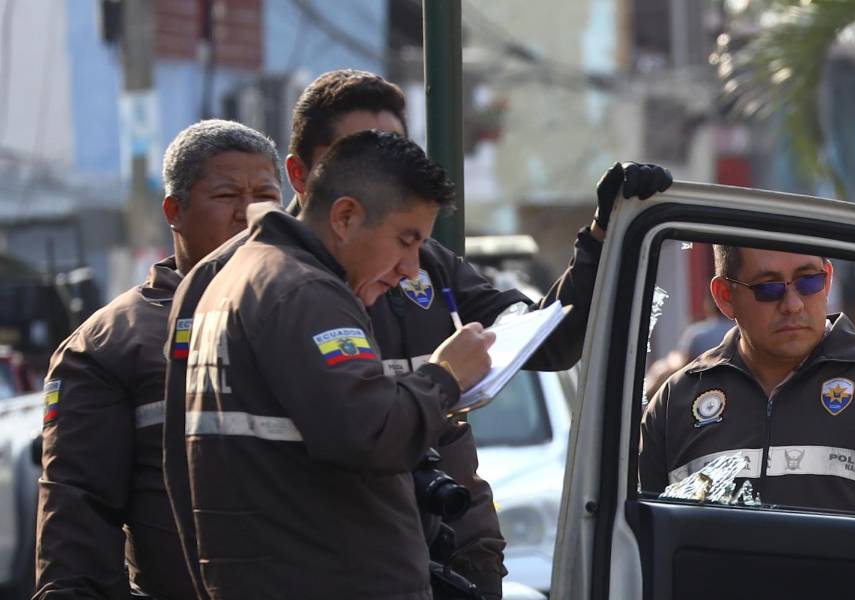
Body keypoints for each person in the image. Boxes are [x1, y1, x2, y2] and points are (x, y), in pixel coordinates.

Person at [160, 69, 672, 599]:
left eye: (399, 148)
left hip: (438, 549)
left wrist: (601, 238)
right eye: (367, 151)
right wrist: (443, 376)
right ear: (312, 177)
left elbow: (550, 338)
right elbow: (185, 457)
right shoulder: (272, 283)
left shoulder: (417, 262)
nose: (409, 266)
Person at [185, 130, 496, 598]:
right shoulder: (305, 292)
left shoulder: (227, 280)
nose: (412, 268)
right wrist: (445, 375)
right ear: (345, 216)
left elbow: (179, 466)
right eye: (405, 240)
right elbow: (371, 432)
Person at [34, 120, 282, 599]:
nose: (249, 214)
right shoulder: (112, 342)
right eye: (227, 195)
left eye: (265, 195)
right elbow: (78, 508)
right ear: (175, 211)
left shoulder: (321, 311)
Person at [640, 246, 855, 519]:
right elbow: (642, 541)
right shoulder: (675, 403)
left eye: (809, 281)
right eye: (768, 287)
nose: (793, 304)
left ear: (828, 279)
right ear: (726, 297)